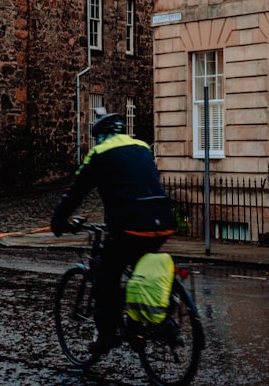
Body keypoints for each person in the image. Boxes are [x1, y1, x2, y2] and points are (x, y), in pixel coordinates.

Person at [51, 108, 176, 355]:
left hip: (130, 225)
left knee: (104, 277)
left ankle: (107, 336)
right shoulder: (142, 146)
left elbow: (75, 193)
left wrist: (58, 223)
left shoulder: (99, 153)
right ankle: (146, 319)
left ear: (100, 137)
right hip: (163, 221)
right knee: (139, 269)